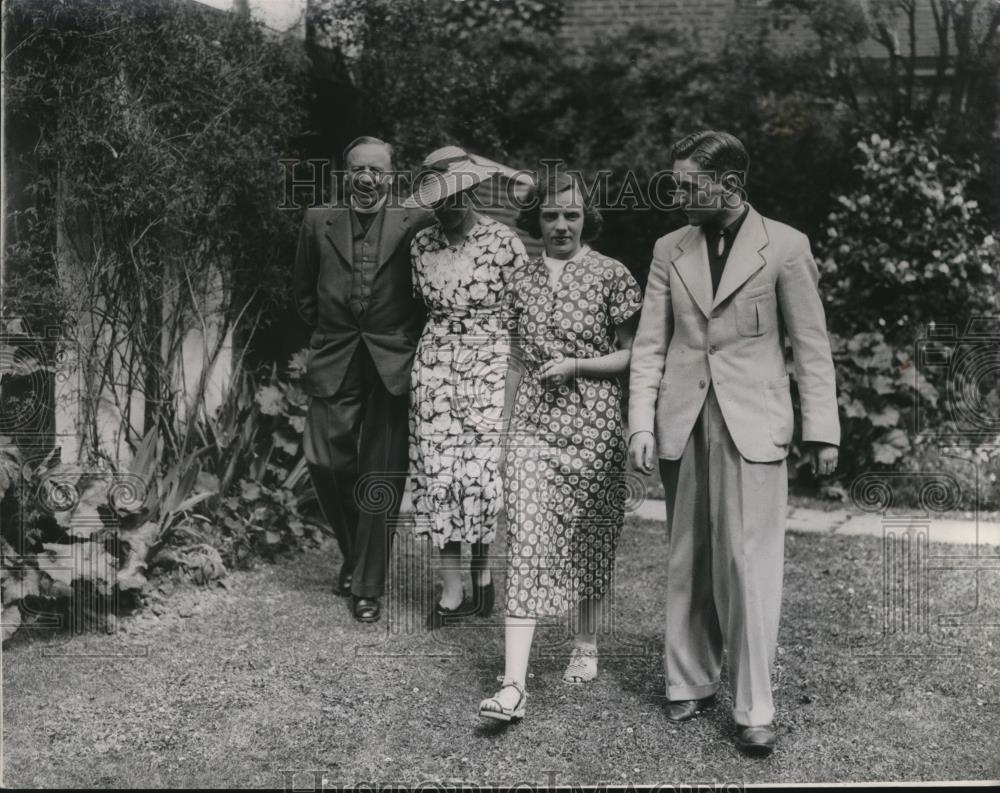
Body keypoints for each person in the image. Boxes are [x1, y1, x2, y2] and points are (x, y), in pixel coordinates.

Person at [628, 130, 840, 756]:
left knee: (749, 564)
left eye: (689, 185)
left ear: (731, 185)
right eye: (676, 183)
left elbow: (812, 345)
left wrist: (822, 429)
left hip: (755, 423)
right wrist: (641, 421)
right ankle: (688, 679)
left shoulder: (786, 247)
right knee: (688, 556)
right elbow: (649, 345)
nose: (679, 196)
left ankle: (754, 705)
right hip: (684, 418)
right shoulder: (670, 248)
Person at [478, 169, 642, 722]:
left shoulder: (611, 274)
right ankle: (514, 684)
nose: (561, 224)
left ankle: (586, 643)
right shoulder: (520, 279)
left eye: (571, 214)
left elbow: (633, 355)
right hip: (531, 426)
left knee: (589, 537)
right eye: (550, 215)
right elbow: (516, 362)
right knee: (525, 537)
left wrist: (577, 365)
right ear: (536, 219)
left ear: (586, 218)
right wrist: (503, 434)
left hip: (594, 427)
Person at [293, 135, 431, 624]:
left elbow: (426, 291)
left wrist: (408, 342)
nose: (367, 179)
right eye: (358, 170)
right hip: (335, 355)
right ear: (344, 174)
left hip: (393, 359)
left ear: (392, 176)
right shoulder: (317, 221)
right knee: (323, 459)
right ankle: (355, 555)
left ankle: (367, 584)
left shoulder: (417, 222)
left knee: (383, 474)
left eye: (377, 170)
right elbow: (303, 291)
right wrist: (326, 335)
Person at [403, 146, 528, 629]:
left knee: (478, 475)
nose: (447, 206)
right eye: (438, 198)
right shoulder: (421, 244)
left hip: (488, 361)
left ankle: (482, 568)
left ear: (473, 190)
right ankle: (452, 585)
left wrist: (517, 372)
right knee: (439, 477)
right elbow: (418, 306)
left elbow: (523, 315)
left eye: (456, 195)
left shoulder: (504, 242)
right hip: (435, 364)